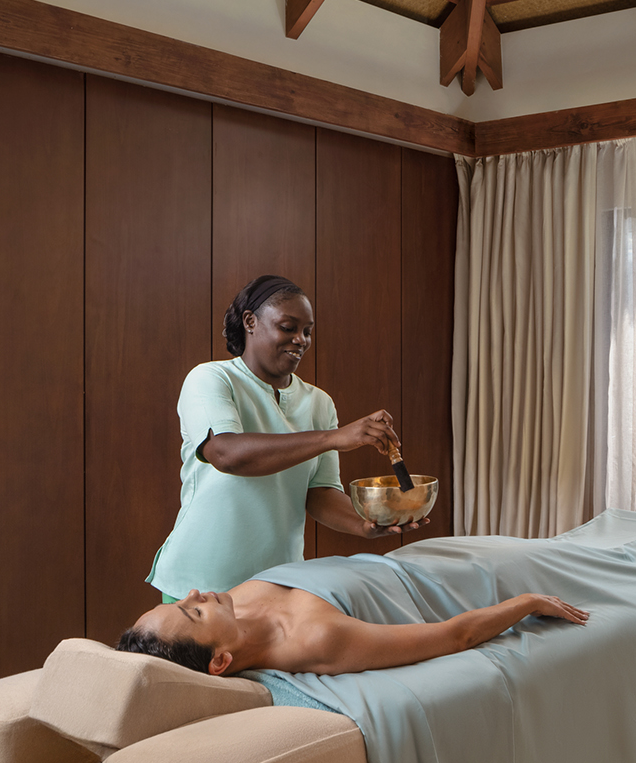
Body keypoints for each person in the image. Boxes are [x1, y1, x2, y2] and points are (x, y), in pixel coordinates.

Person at [145, 274, 426, 602]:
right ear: (251, 322)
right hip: (199, 584)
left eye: (307, 331)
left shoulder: (318, 402)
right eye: (288, 327)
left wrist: (365, 523)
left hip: (277, 584)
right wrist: (332, 438)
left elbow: (318, 493)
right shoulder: (210, 379)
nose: (301, 340)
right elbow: (226, 454)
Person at [118, 580, 588, 676]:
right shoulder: (316, 642)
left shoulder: (230, 607)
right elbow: (454, 636)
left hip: (411, 560)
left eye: (185, 601)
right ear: (220, 661)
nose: (197, 593)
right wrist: (527, 601)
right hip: (455, 586)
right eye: (193, 612)